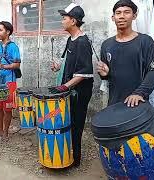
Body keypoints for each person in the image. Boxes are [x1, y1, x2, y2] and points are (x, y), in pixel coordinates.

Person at [50, 3, 94, 167]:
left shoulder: (83, 42)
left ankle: (75, 159)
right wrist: (58, 67)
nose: (62, 21)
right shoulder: (71, 39)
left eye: (64, 18)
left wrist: (65, 86)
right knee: (67, 122)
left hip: (79, 92)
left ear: (73, 21)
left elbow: (84, 72)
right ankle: (66, 154)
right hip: (70, 89)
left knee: (76, 124)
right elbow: (68, 62)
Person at [97, 0, 154, 108]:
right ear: (113, 17)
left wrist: (139, 93)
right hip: (114, 104)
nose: (122, 16)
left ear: (134, 16)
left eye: (126, 12)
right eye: (118, 13)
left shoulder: (145, 41)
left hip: (138, 102)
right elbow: (107, 76)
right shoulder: (106, 45)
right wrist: (104, 74)